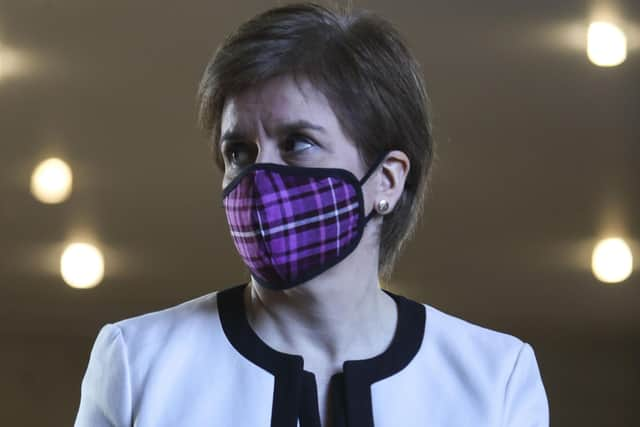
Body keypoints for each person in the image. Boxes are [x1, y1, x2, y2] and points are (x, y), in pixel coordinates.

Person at [74, 2, 549, 426]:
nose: (260, 175)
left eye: (298, 143)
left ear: (387, 179)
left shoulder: (494, 380)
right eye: (239, 151)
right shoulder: (138, 363)